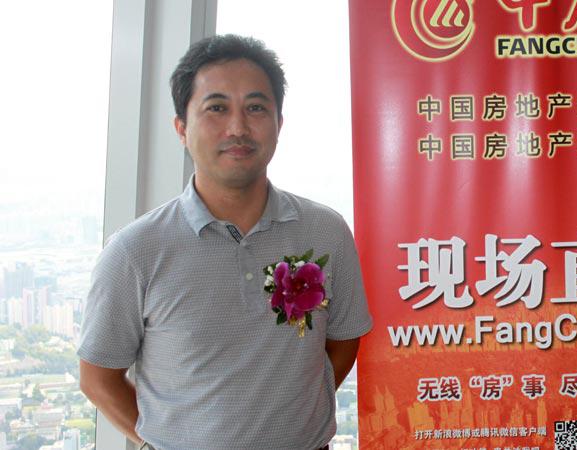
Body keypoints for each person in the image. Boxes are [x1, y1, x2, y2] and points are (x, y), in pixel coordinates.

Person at [78, 34, 372, 450]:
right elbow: (97, 376)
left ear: (279, 124)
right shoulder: (135, 251)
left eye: (256, 108)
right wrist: (156, 443)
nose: (238, 128)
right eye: (216, 108)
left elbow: (343, 340)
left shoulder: (326, 232)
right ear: (182, 128)